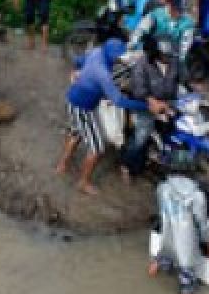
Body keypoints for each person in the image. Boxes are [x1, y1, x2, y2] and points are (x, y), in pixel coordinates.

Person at [58, 38, 149, 195]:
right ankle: (83, 183)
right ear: (111, 56)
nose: (119, 59)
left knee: (75, 133)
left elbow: (78, 60)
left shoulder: (96, 52)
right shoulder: (103, 73)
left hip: (73, 100)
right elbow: (118, 100)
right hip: (83, 108)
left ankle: (62, 165)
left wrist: (76, 71)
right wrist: (146, 106)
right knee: (98, 147)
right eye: (117, 57)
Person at [148, 175, 209, 294]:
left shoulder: (163, 188)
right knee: (188, 281)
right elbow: (202, 224)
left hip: (168, 236)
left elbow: (162, 212)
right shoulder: (197, 196)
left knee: (164, 256)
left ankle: (153, 272)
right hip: (186, 244)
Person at [120, 36, 178, 182]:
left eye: (170, 55)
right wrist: (153, 102)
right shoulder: (142, 64)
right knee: (141, 136)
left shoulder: (174, 62)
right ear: (155, 54)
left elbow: (182, 78)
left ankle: (163, 157)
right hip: (144, 104)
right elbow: (139, 90)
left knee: (176, 127)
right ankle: (125, 165)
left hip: (167, 101)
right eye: (165, 55)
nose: (168, 58)